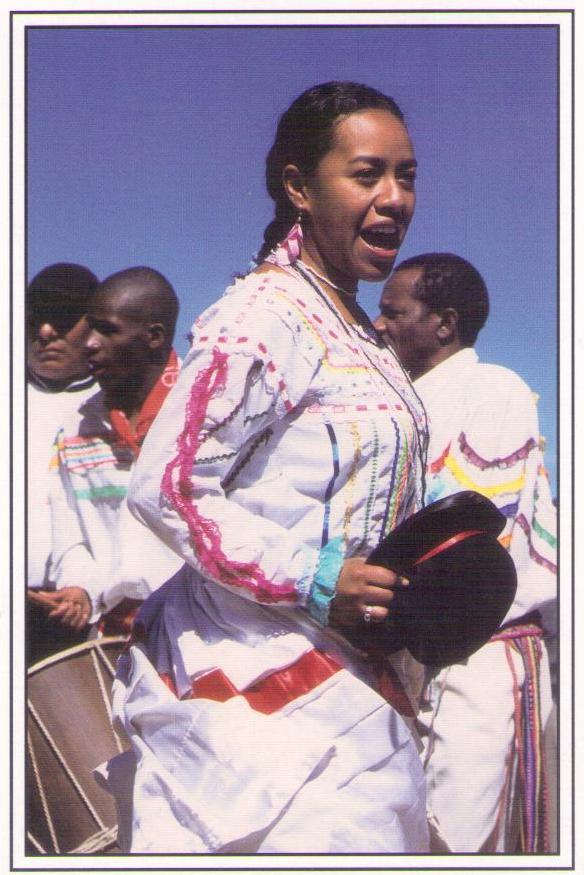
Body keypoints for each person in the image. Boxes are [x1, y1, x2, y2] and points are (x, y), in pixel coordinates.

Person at [101, 81, 431, 854]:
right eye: (367, 173)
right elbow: (170, 486)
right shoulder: (265, 314)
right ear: (298, 187)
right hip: (254, 686)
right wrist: (315, 576)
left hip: (353, 675)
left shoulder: (358, 330)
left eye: (407, 175)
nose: (394, 198)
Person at [375, 252, 557, 853]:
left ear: (445, 323)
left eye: (393, 312)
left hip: (480, 653)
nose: (379, 325)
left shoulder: (494, 390)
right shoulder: (399, 406)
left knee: (457, 846)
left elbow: (473, 549)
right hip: (416, 659)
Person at [34, 267, 183, 639]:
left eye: (107, 330)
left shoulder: (207, 415)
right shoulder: (76, 427)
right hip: (117, 633)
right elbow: (72, 539)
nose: (89, 343)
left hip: (205, 627)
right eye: (90, 328)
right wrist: (79, 587)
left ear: (153, 337)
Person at [26, 262, 99, 662]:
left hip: (84, 618)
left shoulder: (117, 409)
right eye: (35, 318)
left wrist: (86, 589)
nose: (45, 332)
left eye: (63, 318)